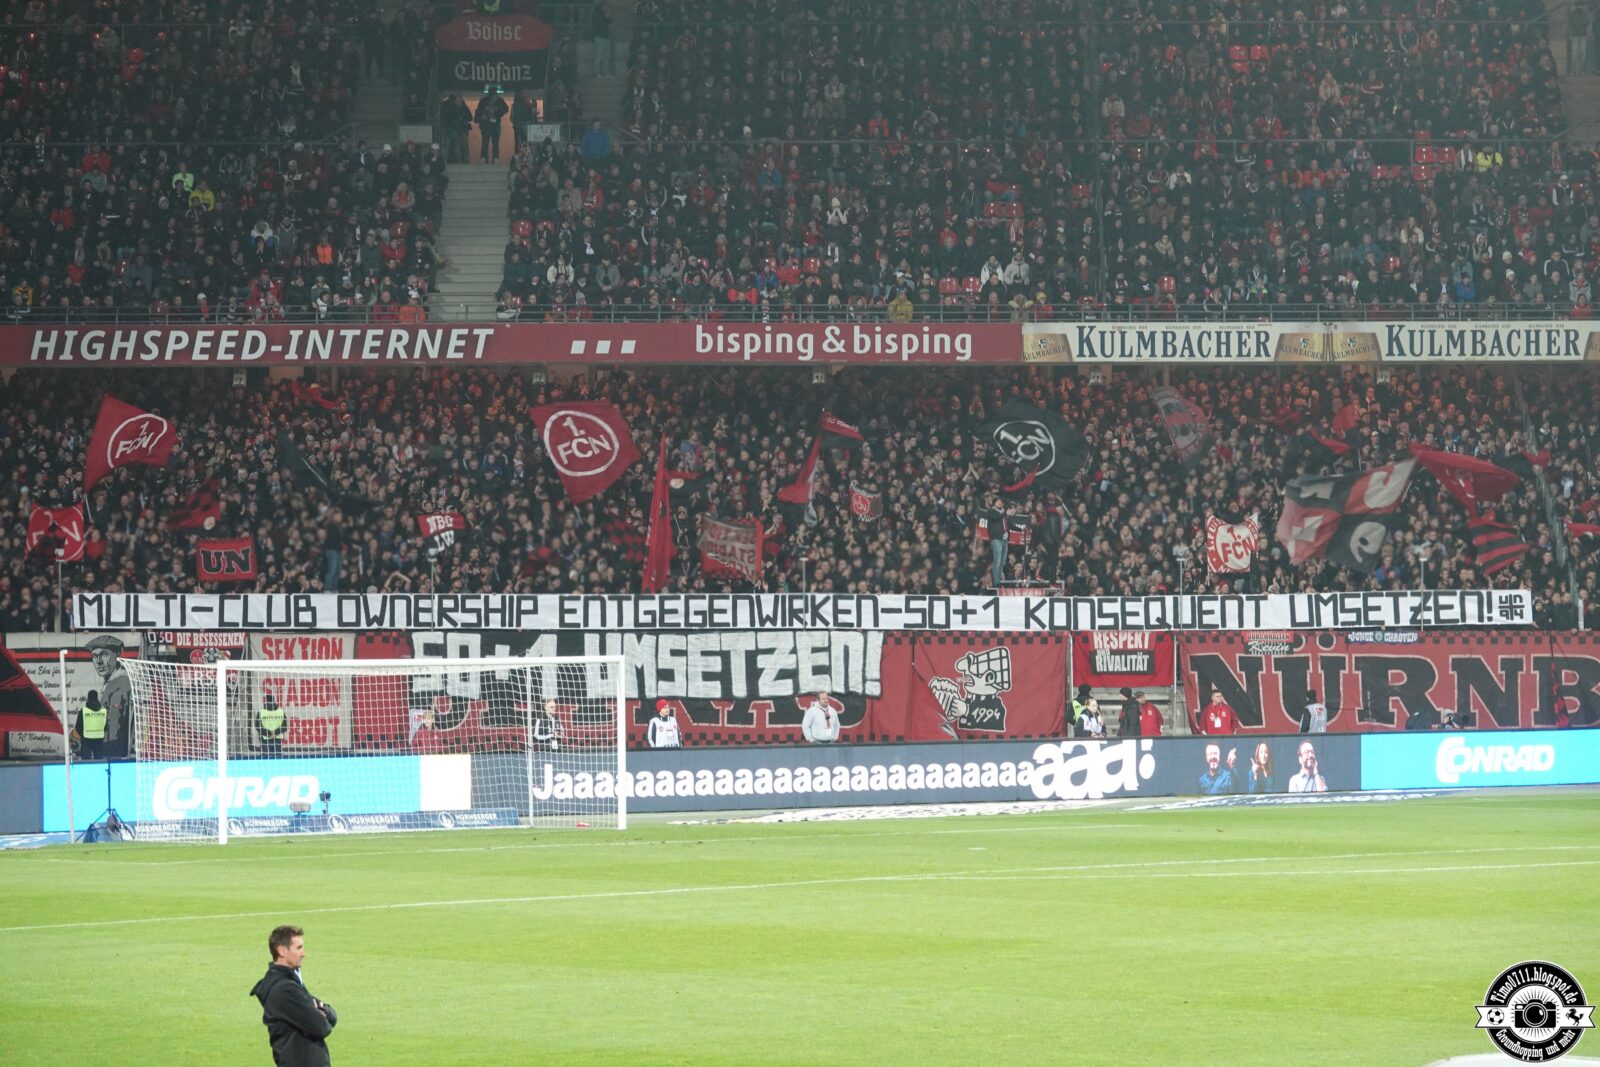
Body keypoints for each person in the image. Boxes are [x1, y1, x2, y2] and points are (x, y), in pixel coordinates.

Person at [251, 925, 337, 1067]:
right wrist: (320, 1012)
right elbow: (321, 1027)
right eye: (298, 948)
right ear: (282, 951)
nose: (304, 953)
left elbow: (332, 1015)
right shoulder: (284, 989)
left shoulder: (289, 982)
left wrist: (322, 1011)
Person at [85, 635, 131, 758]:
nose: (99, 661)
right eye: (94, 656)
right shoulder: (111, 683)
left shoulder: (121, 683)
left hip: (113, 749)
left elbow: (115, 726)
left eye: (104, 654)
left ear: (117, 655)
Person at [476, 89, 508, 163]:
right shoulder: (486, 101)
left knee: (492, 142)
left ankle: (491, 158)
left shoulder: (486, 100)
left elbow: (506, 109)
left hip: (493, 125)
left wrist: (497, 110)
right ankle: (488, 158)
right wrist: (486, 111)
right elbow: (479, 111)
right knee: (487, 142)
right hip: (487, 125)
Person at [75, 689, 108, 760]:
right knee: (99, 762)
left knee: (86, 763)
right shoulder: (103, 711)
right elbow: (106, 727)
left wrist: (83, 735)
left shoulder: (83, 710)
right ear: (97, 698)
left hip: (86, 740)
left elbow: (78, 726)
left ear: (88, 698)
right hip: (99, 740)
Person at [257, 690, 287, 757]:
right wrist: (275, 732)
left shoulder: (261, 712)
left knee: (265, 758)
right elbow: (284, 726)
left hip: (265, 739)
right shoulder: (280, 712)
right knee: (278, 758)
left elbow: (258, 726)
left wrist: (269, 733)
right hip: (277, 739)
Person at [591, 3, 614, 78]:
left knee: (606, 56)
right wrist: (605, 17)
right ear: (601, 7)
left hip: (606, 37)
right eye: (605, 6)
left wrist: (608, 15)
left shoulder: (604, 14)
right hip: (599, 37)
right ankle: (597, 72)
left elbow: (610, 21)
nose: (606, 8)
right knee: (599, 55)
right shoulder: (597, 15)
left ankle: (606, 72)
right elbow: (598, 24)